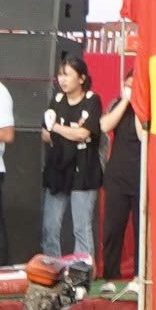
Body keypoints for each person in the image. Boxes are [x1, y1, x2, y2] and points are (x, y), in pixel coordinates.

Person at [39, 54, 102, 258]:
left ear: (81, 78)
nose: (62, 80)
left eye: (67, 75)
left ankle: (81, 274)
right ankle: (52, 272)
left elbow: (84, 133)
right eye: (60, 75)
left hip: (83, 170)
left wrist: (57, 128)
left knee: (81, 228)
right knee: (50, 227)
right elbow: (45, 134)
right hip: (58, 168)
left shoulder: (92, 101)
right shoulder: (56, 100)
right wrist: (67, 133)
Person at [100, 86, 143, 281]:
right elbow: (104, 126)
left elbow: (142, 134)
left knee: (140, 230)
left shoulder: (147, 108)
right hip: (117, 178)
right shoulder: (117, 104)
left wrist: (137, 104)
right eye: (128, 84)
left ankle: (139, 276)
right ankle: (111, 275)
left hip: (140, 177)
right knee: (112, 230)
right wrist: (125, 102)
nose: (131, 88)